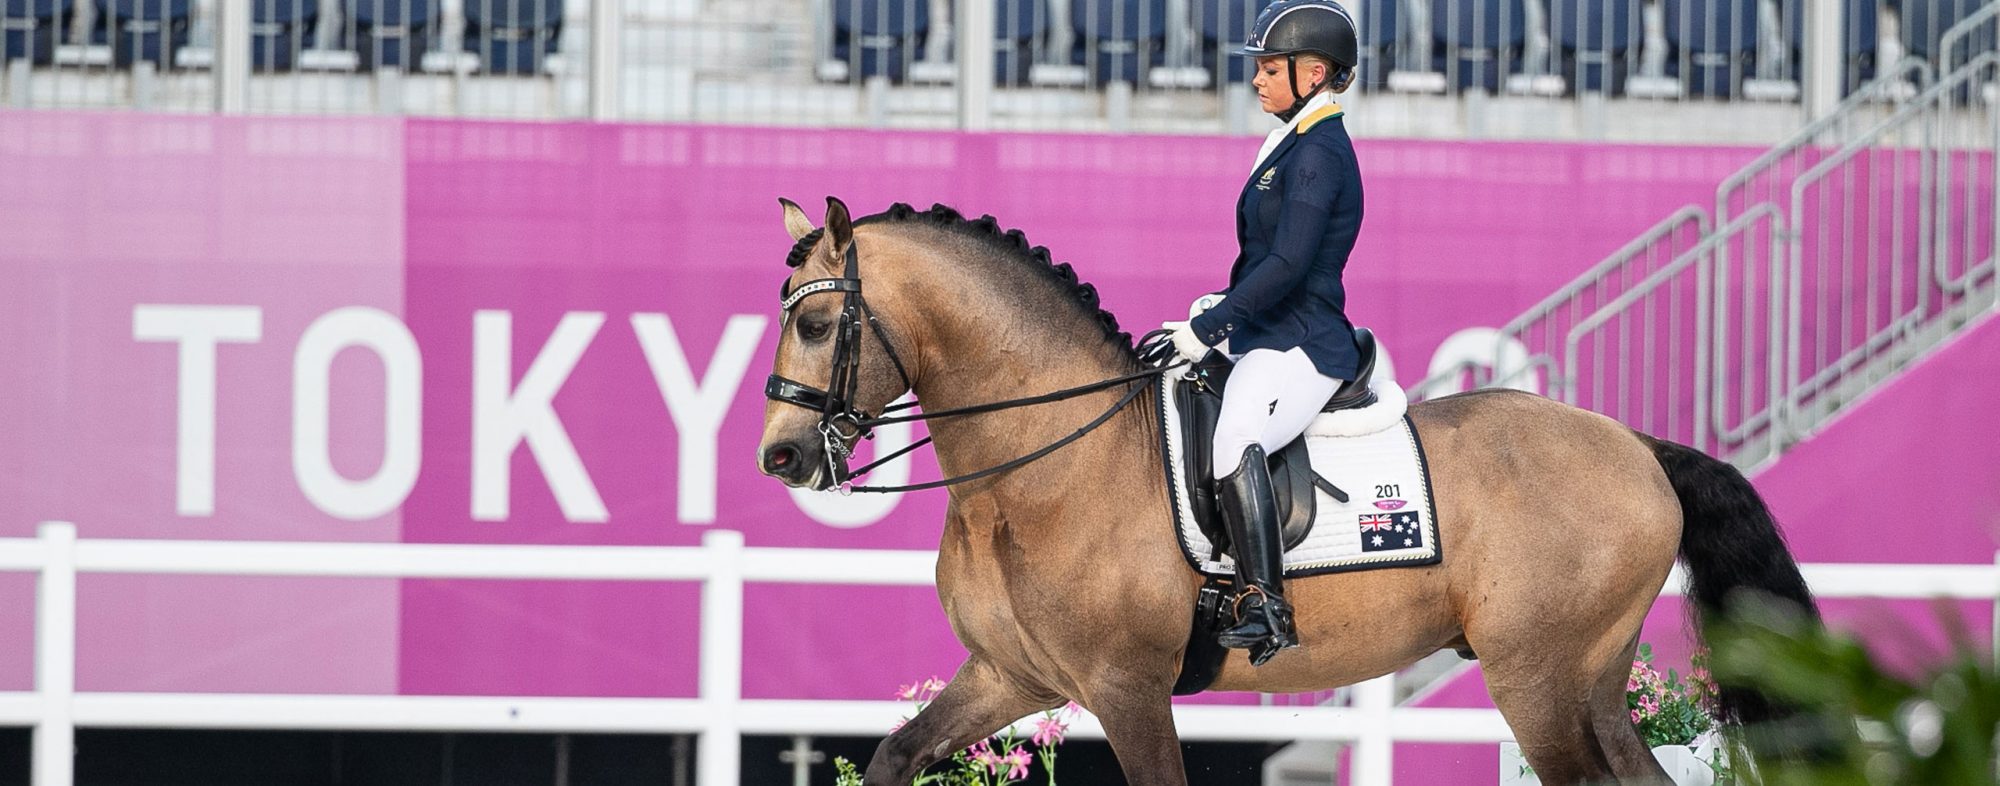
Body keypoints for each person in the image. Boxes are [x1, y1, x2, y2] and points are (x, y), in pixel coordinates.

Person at [1161, 0, 1366, 667]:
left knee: (1234, 437)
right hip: (1268, 327)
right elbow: (1263, 262)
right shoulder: (1292, 141)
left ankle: (1265, 602)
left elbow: (1289, 264)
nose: (1256, 80)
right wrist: (1219, 307)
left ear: (1314, 72)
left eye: (1269, 68)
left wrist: (1211, 325)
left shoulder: (1320, 155)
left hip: (1303, 341)